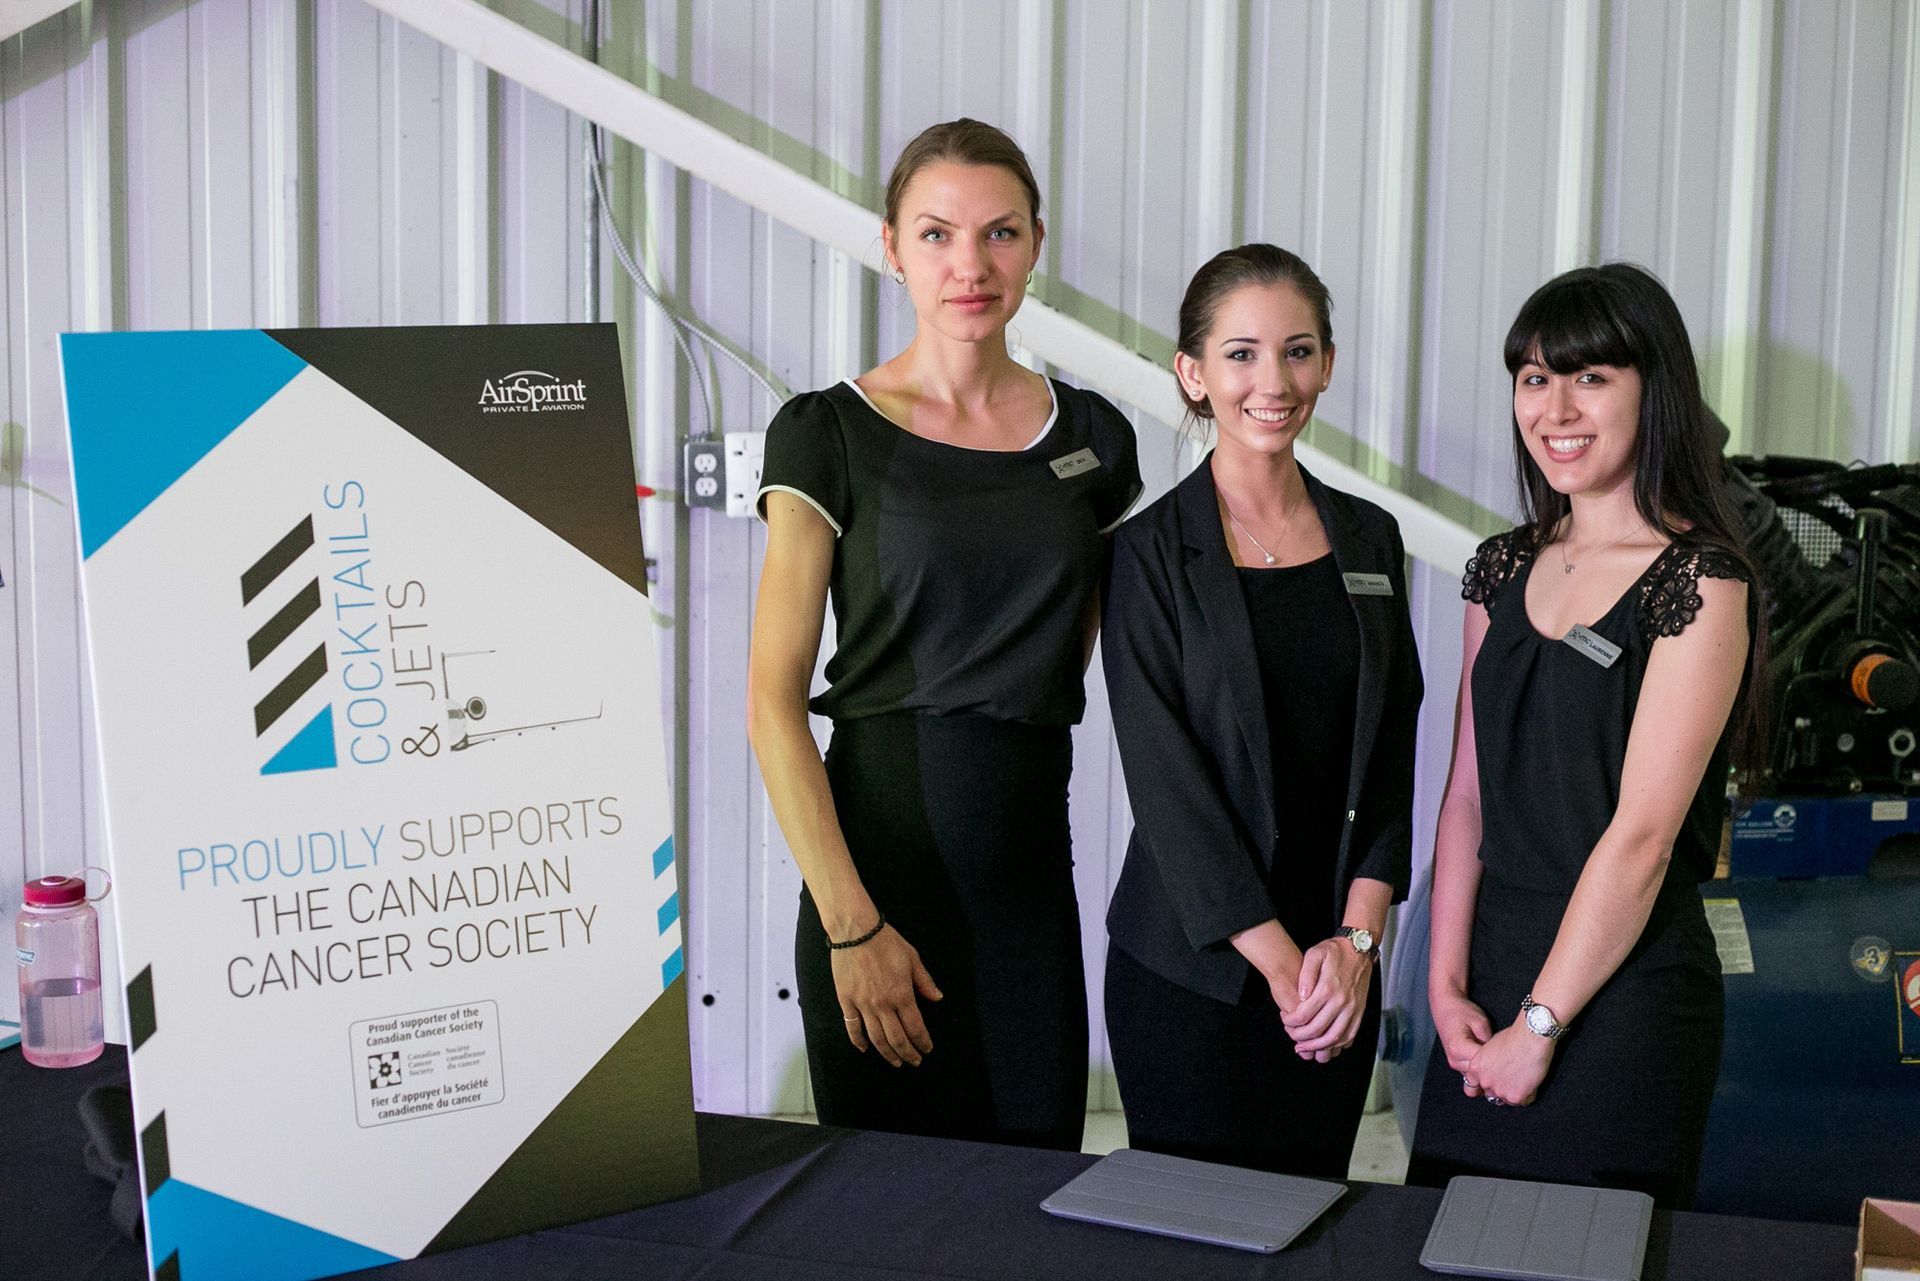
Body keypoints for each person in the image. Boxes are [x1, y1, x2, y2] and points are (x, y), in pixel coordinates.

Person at [746, 119, 1141, 1149]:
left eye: (1000, 234)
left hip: (1027, 892)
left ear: (1037, 245)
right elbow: (770, 704)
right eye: (937, 235)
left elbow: (1094, 647)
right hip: (879, 884)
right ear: (890, 247)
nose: (971, 265)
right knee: (880, 1217)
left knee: (1027, 1207)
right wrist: (852, 922)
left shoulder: (1096, 440)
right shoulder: (827, 433)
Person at [1407, 262, 1762, 1209]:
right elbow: (1467, 795)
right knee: (1447, 1238)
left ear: (1657, 391)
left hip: (1622, 991)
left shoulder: (1699, 581)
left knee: (1589, 1248)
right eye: (1533, 376)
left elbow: (1642, 838)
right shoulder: (1501, 565)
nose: (1555, 407)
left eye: (1591, 377)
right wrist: (1445, 989)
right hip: (1488, 979)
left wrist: (1540, 1024)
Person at [1100, 244, 1424, 1177]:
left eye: (1297, 350)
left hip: (1337, 972)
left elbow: (1391, 746)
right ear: (1193, 373)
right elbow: (1170, 791)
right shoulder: (1149, 553)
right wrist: (1291, 974)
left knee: (1314, 1223)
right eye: (1240, 354)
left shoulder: (1371, 538)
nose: (1272, 381)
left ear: (1326, 362)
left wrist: (1357, 944)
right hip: (1198, 976)